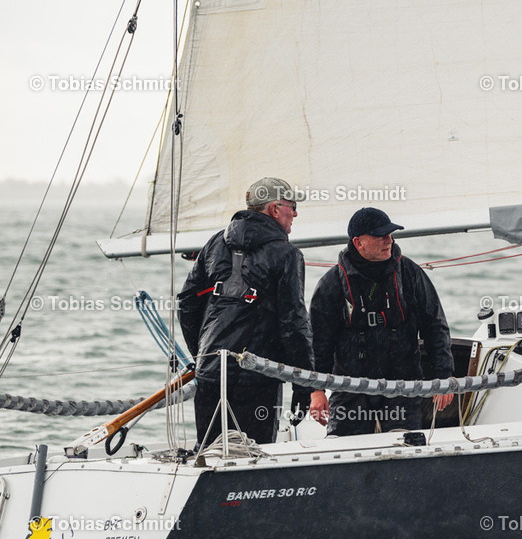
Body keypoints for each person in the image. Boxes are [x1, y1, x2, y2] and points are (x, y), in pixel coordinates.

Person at [178, 177, 314, 445]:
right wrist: (303, 385)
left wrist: (203, 354)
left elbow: (186, 303)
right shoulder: (287, 254)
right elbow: (294, 322)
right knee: (253, 457)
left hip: (211, 375)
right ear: (275, 209)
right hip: (257, 379)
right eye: (292, 205)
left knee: (210, 453)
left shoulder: (215, 243)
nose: (296, 213)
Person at [308, 207, 454, 435]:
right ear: (358, 243)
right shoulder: (331, 284)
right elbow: (319, 343)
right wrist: (316, 390)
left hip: (403, 386)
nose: (389, 241)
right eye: (380, 236)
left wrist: (443, 377)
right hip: (350, 388)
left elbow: (435, 326)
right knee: (343, 451)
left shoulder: (410, 274)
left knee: (406, 451)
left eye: (390, 234)